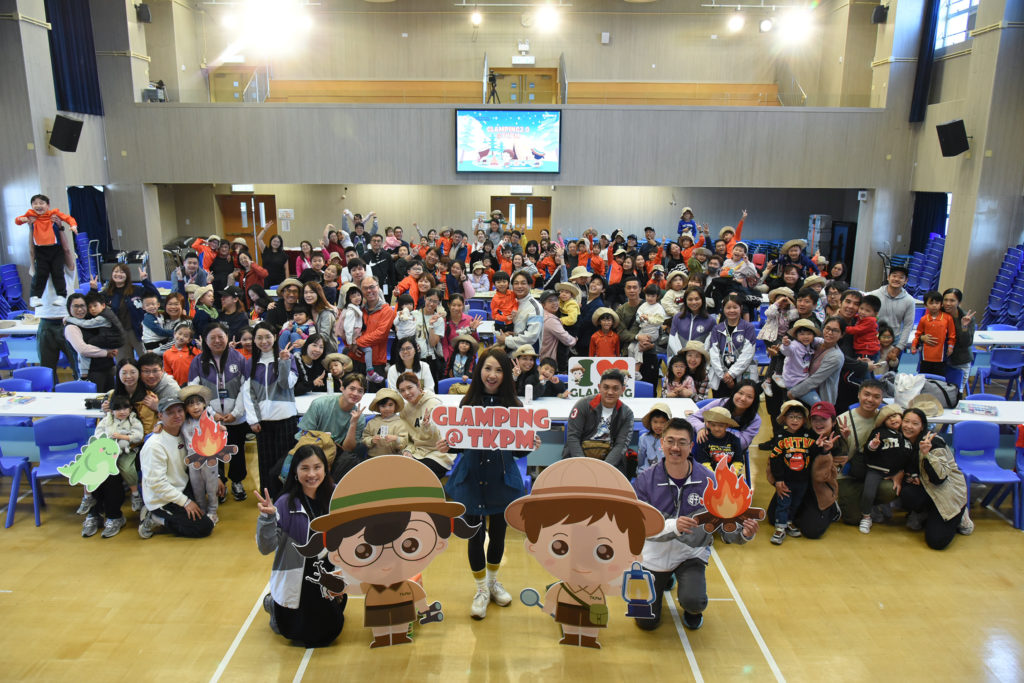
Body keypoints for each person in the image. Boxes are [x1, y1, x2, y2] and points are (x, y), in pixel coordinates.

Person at [294, 455, 477, 648]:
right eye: (363, 551)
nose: (387, 559)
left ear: (438, 543)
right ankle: (382, 637)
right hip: (377, 615)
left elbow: (416, 596)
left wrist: (425, 610)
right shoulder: (373, 585)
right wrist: (335, 584)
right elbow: (353, 587)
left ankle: (398, 634)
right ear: (337, 554)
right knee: (382, 628)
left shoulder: (405, 585)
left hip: (399, 614)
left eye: (410, 545)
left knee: (399, 625)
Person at [504, 458, 663, 649]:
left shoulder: (598, 587)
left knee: (591, 624)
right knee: (571, 623)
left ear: (633, 556)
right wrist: (548, 607)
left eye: (605, 552)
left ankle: (588, 638)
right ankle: (571, 635)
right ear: (533, 546)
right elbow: (553, 597)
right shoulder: (563, 588)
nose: (581, 561)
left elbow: (615, 589)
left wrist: (629, 586)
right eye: (560, 547)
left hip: (594, 613)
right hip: (568, 611)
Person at [633, 418, 757, 631]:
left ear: (691, 446)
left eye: (682, 442)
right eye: (670, 441)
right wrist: (673, 526)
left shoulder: (709, 480)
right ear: (662, 443)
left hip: (690, 554)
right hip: (654, 555)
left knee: (694, 601)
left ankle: (691, 607)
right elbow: (639, 526)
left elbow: (725, 526)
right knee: (646, 622)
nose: (675, 447)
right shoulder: (645, 480)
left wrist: (743, 533)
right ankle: (665, 578)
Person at [445, 347, 532, 620]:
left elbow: (518, 452)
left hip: (501, 480)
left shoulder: (514, 406)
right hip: (471, 478)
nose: (492, 375)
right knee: (475, 536)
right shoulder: (467, 403)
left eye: (498, 370)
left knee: (498, 535)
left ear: (506, 374)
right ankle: (481, 589)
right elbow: (460, 444)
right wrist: (448, 444)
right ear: (478, 370)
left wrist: (530, 443)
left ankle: (493, 583)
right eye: (487, 368)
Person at [255, 445, 347, 647]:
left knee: (331, 630)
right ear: (295, 472)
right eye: (305, 468)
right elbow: (266, 547)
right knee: (295, 633)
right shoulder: (284, 503)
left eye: (317, 467)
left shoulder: (337, 496)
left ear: (326, 469)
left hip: (327, 574)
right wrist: (267, 518)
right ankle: (273, 604)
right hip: (296, 575)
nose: (312, 474)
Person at [138, 396, 216, 539]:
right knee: (204, 527)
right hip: (162, 499)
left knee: (211, 483)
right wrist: (185, 502)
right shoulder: (154, 446)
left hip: (181, 486)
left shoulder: (184, 432)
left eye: (180, 411)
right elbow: (157, 484)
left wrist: (216, 477)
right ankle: (155, 518)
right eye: (170, 413)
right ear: (160, 416)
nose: (177, 415)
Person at [188, 323, 250, 501]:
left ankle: (237, 481)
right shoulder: (198, 361)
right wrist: (210, 413)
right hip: (211, 419)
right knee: (215, 452)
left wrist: (236, 412)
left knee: (236, 450)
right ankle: (218, 484)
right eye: (212, 338)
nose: (217, 341)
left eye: (220, 337)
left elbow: (246, 388)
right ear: (205, 341)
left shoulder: (239, 359)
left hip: (236, 418)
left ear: (227, 337)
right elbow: (194, 390)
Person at [896, 408, 971, 549]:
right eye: (906, 421)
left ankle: (961, 515)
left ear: (922, 426)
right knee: (906, 492)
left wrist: (927, 455)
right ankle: (926, 513)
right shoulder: (903, 440)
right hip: (927, 489)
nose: (909, 426)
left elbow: (939, 478)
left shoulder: (933, 442)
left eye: (915, 423)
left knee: (936, 542)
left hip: (946, 493)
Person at [243, 322, 299, 501]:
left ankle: (286, 498)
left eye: (267, 336)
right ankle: (269, 500)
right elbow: (247, 393)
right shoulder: (250, 363)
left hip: (286, 418)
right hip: (263, 422)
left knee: (285, 463)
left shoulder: (288, 357)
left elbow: (286, 384)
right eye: (259, 337)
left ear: (275, 337)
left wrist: (284, 362)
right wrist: (252, 419)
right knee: (266, 463)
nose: (264, 341)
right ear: (254, 340)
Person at [80, 394, 142, 538]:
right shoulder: (107, 419)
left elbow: (139, 435)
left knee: (111, 473)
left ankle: (114, 516)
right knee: (91, 467)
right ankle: (93, 511)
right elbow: (98, 436)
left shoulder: (133, 419)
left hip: (128, 452)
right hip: (106, 451)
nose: (122, 411)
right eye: (117, 409)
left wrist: (123, 437)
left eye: (125, 408)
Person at [835, 379, 889, 525]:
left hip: (875, 472)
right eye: (867, 394)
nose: (870, 400)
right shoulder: (843, 420)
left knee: (892, 489)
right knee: (853, 519)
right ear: (859, 395)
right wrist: (843, 440)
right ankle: (861, 501)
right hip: (849, 475)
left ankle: (870, 501)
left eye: (876, 397)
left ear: (882, 399)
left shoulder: (886, 419)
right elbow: (835, 455)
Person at [562, 368, 634, 473]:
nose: (610, 392)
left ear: (622, 390)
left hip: (609, 460)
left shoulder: (626, 414)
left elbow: (621, 445)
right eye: (606, 387)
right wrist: (583, 465)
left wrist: (604, 469)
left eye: (615, 388)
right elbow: (573, 437)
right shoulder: (583, 405)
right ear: (599, 387)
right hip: (580, 457)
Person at [766, 400, 817, 545]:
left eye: (799, 417)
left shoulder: (808, 436)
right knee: (783, 503)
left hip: (803, 479)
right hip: (786, 480)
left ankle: (788, 522)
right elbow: (775, 459)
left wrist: (822, 447)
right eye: (791, 417)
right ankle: (779, 528)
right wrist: (779, 479)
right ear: (784, 419)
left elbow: (815, 454)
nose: (795, 420)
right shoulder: (780, 437)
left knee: (796, 503)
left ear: (804, 420)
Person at [17, 193, 76, 307]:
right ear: (31, 206)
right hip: (40, 250)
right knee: (40, 273)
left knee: (58, 272)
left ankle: (61, 296)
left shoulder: (53, 214)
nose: (38, 206)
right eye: (35, 203)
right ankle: (35, 296)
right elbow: (17, 221)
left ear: (48, 205)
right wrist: (22, 219)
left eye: (41, 203)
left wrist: (73, 226)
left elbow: (68, 218)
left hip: (55, 249)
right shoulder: (31, 216)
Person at [859, 405, 911, 534]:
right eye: (888, 418)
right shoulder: (880, 432)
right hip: (876, 469)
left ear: (901, 417)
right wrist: (873, 446)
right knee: (869, 493)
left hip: (896, 471)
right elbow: (867, 451)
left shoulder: (906, 434)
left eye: (895, 416)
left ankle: (886, 505)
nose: (892, 419)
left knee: (899, 490)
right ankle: (866, 517)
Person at [96, 263, 159, 361]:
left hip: (138, 331)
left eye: (122, 272)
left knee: (147, 361)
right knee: (124, 363)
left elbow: (155, 296)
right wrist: (93, 290)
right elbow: (93, 306)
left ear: (127, 275)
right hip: (119, 334)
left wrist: (145, 281)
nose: (118, 274)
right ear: (112, 274)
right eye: (116, 271)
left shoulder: (136, 290)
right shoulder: (107, 293)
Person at [63, 294, 121, 392]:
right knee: (96, 399)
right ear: (69, 308)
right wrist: (106, 352)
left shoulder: (92, 320)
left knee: (110, 398)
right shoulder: (71, 327)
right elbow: (83, 349)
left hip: (108, 367)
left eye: (82, 305)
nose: (80, 309)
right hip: (91, 372)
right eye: (76, 306)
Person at [688, 379, 762, 452]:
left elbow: (742, 444)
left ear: (754, 400)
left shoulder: (755, 419)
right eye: (740, 393)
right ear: (734, 392)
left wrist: (714, 428)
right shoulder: (721, 403)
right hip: (707, 447)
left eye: (749, 397)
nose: (743, 398)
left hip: (731, 451)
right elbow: (692, 417)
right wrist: (701, 427)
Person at [706, 294, 757, 394]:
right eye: (728, 308)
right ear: (723, 309)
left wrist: (731, 374)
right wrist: (724, 376)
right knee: (720, 402)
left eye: (735, 307)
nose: (732, 310)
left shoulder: (748, 328)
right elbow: (713, 353)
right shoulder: (717, 329)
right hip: (721, 375)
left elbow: (748, 354)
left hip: (742, 374)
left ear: (741, 308)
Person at [353, 276, 396, 389]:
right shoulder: (357, 309)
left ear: (378, 288)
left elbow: (380, 334)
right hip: (356, 358)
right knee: (355, 394)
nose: (369, 291)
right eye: (365, 288)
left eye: (372, 287)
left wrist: (357, 343)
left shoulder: (386, 311)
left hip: (376, 362)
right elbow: (347, 329)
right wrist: (351, 345)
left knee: (376, 397)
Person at [765, 319, 822, 403]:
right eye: (802, 334)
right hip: (793, 382)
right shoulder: (794, 345)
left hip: (804, 379)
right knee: (817, 403)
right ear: (796, 336)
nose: (806, 337)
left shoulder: (811, 343)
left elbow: (819, 340)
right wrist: (786, 345)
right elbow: (786, 351)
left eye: (809, 334)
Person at [868, 264, 916, 356]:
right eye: (894, 276)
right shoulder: (874, 295)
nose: (897, 279)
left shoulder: (909, 300)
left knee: (892, 365)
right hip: (873, 338)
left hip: (895, 341)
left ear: (906, 281)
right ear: (888, 277)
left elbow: (908, 325)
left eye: (901, 277)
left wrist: (899, 347)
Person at [911, 290, 956, 376]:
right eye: (931, 303)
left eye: (937, 303)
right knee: (924, 378)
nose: (934, 305)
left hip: (941, 356)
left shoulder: (948, 318)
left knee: (939, 378)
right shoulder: (923, 319)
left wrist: (951, 347)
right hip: (926, 356)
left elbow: (952, 335)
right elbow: (918, 334)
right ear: (925, 305)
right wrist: (914, 345)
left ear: (941, 304)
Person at [496, 271, 543, 353]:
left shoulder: (535, 307)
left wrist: (507, 340)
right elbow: (497, 321)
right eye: (516, 283)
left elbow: (531, 337)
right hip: (506, 350)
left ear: (530, 285)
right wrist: (502, 334)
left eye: (523, 283)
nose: (519, 286)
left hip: (525, 354)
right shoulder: (508, 302)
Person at [690, 406, 744, 476]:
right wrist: (714, 476)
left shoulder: (734, 439)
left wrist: (732, 474)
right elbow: (703, 462)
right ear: (708, 424)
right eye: (713, 425)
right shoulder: (703, 439)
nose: (717, 429)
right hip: (709, 476)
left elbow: (738, 461)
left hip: (731, 475)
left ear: (727, 425)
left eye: (721, 426)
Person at [939, 288, 976, 390]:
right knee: (939, 391)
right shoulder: (937, 314)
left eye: (952, 300)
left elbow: (966, 343)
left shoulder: (967, 318)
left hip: (960, 361)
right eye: (945, 300)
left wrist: (964, 326)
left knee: (957, 392)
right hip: (940, 361)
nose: (948, 303)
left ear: (959, 302)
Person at [362, 388, 411, 457]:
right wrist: (371, 440)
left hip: (393, 457)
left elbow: (404, 441)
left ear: (395, 405)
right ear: (378, 407)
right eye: (383, 406)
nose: (387, 409)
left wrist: (396, 439)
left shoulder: (400, 423)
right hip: (372, 457)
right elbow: (365, 437)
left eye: (390, 405)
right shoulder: (372, 422)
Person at [667, 286, 716, 355]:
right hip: (680, 357)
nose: (693, 302)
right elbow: (672, 339)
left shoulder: (711, 320)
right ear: (685, 301)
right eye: (690, 299)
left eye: (697, 299)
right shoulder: (677, 317)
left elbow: (711, 344)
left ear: (702, 300)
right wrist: (681, 355)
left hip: (699, 358)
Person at [539, 290, 576, 374]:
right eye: (550, 301)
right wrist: (574, 340)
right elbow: (567, 340)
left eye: (556, 300)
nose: (554, 303)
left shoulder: (541, 315)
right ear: (543, 305)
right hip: (550, 361)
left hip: (543, 357)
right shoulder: (551, 320)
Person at [637, 403, 671, 475]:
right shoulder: (644, 438)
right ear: (650, 422)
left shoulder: (670, 440)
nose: (658, 425)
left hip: (665, 473)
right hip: (646, 472)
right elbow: (641, 458)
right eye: (655, 422)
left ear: (668, 423)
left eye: (662, 422)